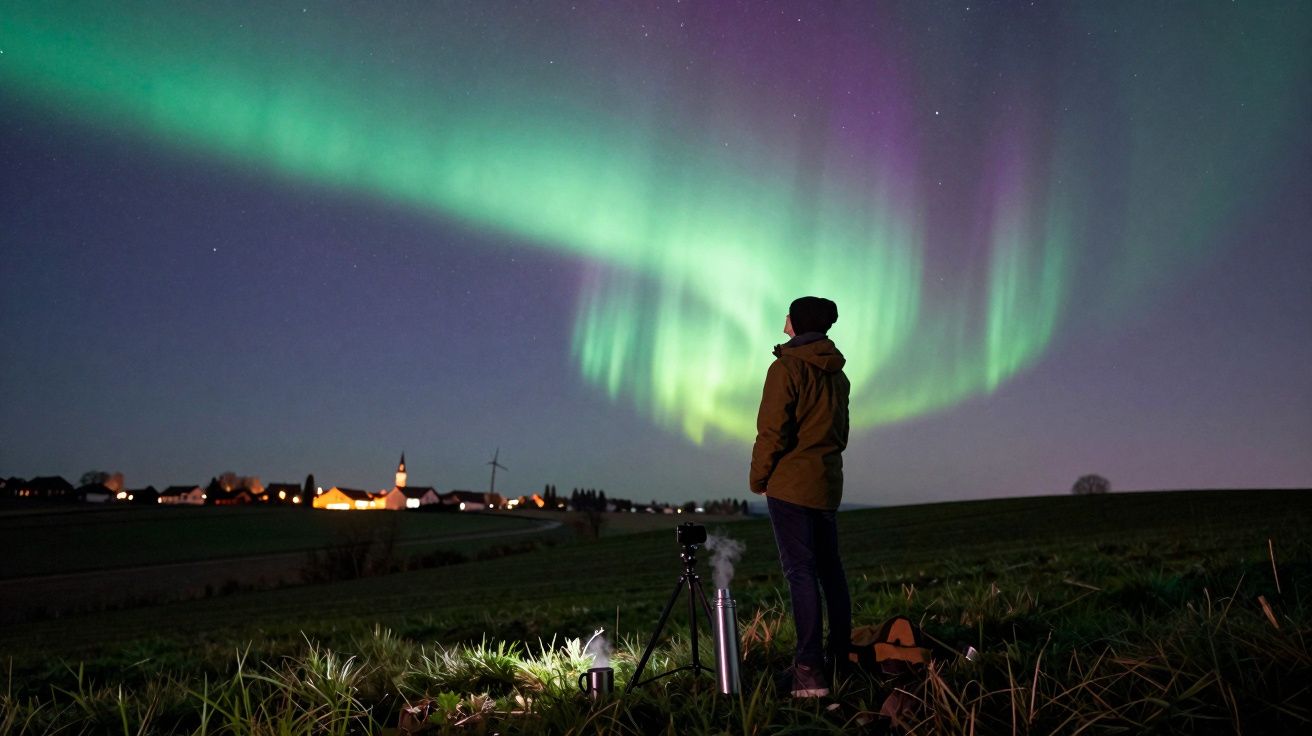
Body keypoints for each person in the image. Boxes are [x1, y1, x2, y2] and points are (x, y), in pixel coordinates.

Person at [750, 295, 852, 698]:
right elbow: (840, 433)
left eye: (788, 313)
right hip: (825, 484)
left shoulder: (786, 368)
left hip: (791, 485)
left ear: (797, 321)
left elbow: (772, 431)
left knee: (801, 573)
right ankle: (839, 659)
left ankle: (808, 672)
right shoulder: (838, 374)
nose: (784, 319)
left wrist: (759, 477)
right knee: (831, 572)